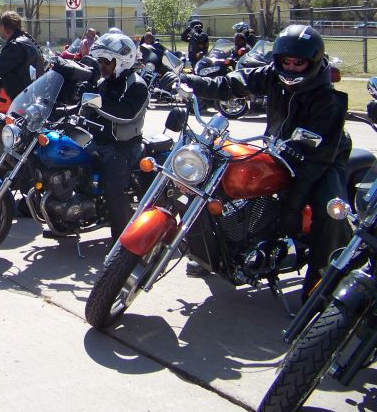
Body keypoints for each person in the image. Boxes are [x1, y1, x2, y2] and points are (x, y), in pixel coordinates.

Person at [182, 24, 350, 298]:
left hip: (321, 158)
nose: (292, 67)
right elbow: (235, 83)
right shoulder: (273, 75)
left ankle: (320, 295)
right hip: (279, 147)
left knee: (328, 212)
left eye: (299, 62)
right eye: (287, 61)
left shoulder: (327, 99)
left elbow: (313, 164)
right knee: (224, 179)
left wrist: (292, 209)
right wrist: (195, 83)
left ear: (313, 62)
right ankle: (214, 255)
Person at [86, 33, 149, 240]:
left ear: (121, 61)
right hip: (100, 142)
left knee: (114, 189)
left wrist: (94, 103)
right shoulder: (107, 82)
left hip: (123, 147)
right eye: (100, 61)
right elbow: (90, 108)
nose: (102, 66)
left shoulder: (136, 85)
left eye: (106, 61)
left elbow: (124, 114)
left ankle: (122, 243)